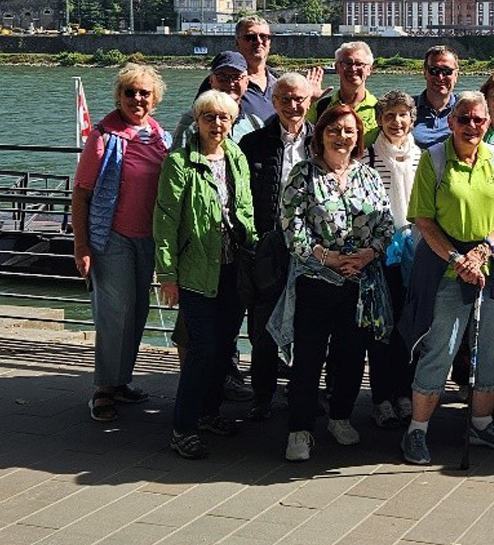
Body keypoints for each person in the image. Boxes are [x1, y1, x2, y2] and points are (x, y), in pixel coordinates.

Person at [399, 91, 494, 465]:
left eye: (479, 120)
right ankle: (417, 430)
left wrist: (483, 251)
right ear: (451, 121)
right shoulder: (434, 159)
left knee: (490, 348)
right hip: (444, 265)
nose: (472, 126)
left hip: (491, 265)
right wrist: (458, 258)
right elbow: (422, 218)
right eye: (464, 119)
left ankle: (481, 424)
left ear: (488, 122)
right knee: (442, 346)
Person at [275, 103, 394, 462]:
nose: (342, 136)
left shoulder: (368, 176)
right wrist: (326, 257)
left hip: (359, 282)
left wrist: (369, 254)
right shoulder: (302, 174)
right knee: (308, 358)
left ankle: (340, 417)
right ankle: (300, 430)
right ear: (320, 134)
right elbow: (291, 228)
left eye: (349, 130)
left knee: (351, 356)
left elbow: (387, 224)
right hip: (316, 279)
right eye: (334, 129)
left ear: (358, 136)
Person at [153, 90, 256, 460]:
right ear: (196, 120)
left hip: (233, 269)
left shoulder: (236, 156)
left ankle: (210, 413)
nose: (217, 124)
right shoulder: (179, 162)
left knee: (223, 347)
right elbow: (165, 221)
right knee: (203, 349)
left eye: (224, 118)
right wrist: (167, 273)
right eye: (209, 117)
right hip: (196, 269)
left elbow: (244, 210)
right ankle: (183, 427)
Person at [72, 63, 172, 423]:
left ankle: (121, 380)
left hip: (149, 239)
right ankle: (102, 387)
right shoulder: (103, 136)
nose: (136, 99)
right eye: (129, 92)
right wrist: (81, 247)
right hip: (111, 236)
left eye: (144, 93)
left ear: (155, 98)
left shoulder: (161, 137)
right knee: (114, 313)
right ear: (119, 96)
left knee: (137, 312)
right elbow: (81, 194)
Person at [237, 72, 314, 420]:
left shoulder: (322, 141)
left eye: (299, 99)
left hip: (314, 248)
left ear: (309, 101)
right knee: (264, 326)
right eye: (285, 99)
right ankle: (262, 396)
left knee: (312, 328)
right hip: (269, 246)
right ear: (274, 101)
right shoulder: (253, 143)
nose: (293, 106)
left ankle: (308, 394)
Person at [364, 89, 422, 428]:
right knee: (380, 328)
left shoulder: (424, 157)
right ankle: (380, 397)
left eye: (403, 115)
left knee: (409, 325)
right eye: (389, 115)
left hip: (416, 250)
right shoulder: (368, 157)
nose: (396, 122)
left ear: (412, 119)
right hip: (379, 251)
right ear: (379, 120)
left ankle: (404, 393)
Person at [174, 51, 266, 146]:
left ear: (246, 82)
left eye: (236, 77)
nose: (230, 83)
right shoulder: (190, 122)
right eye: (222, 76)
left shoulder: (255, 123)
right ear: (211, 80)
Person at [311, 41, 378, 134]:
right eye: (347, 63)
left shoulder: (379, 109)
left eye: (359, 64)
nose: (353, 69)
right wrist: (308, 100)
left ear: (369, 70)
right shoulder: (321, 107)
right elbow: (296, 132)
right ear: (336, 68)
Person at [233, 15, 280, 123]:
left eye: (263, 36)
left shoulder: (280, 82)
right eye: (250, 37)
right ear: (237, 43)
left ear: (269, 42)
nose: (258, 41)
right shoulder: (223, 81)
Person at [412, 46, 460, 148]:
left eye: (447, 71)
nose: (440, 77)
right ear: (425, 73)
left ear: (456, 75)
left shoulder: (465, 110)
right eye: (434, 70)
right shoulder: (406, 109)